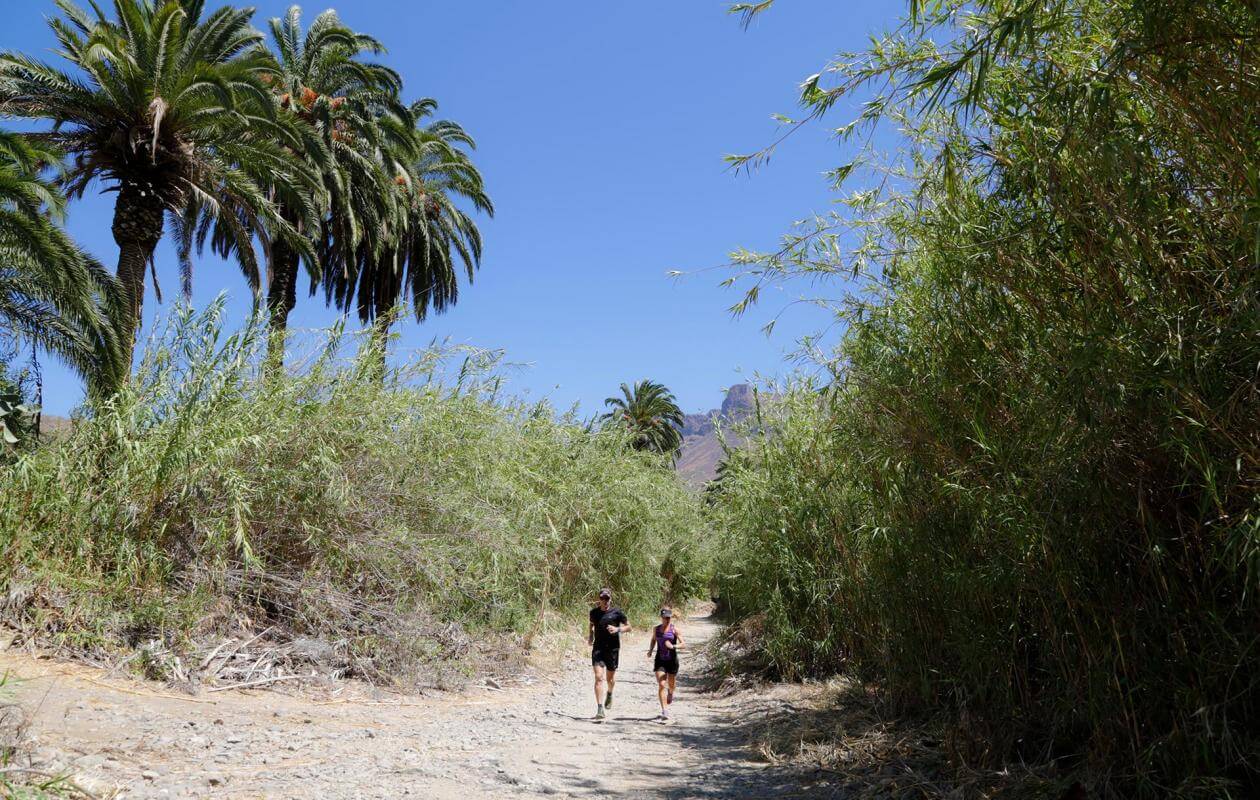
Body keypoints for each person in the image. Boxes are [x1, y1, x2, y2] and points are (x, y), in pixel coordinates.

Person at [588, 587, 630, 721]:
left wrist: (618, 629)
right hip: (598, 649)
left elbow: (629, 627)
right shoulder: (594, 613)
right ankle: (600, 709)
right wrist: (590, 636)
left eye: (607, 598)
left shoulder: (617, 612)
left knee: (610, 679)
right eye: (602, 598)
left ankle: (610, 693)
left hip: (612, 649)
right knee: (599, 677)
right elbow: (591, 625)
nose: (605, 601)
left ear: (610, 599)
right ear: (599, 599)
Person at [646, 606, 683, 722]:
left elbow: (683, 644)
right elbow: (653, 639)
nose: (667, 620)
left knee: (671, 684)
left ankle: (671, 692)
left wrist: (674, 646)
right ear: (661, 618)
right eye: (665, 617)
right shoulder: (656, 629)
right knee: (661, 684)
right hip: (660, 660)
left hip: (672, 660)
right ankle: (664, 711)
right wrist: (651, 650)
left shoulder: (674, 630)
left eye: (669, 618)